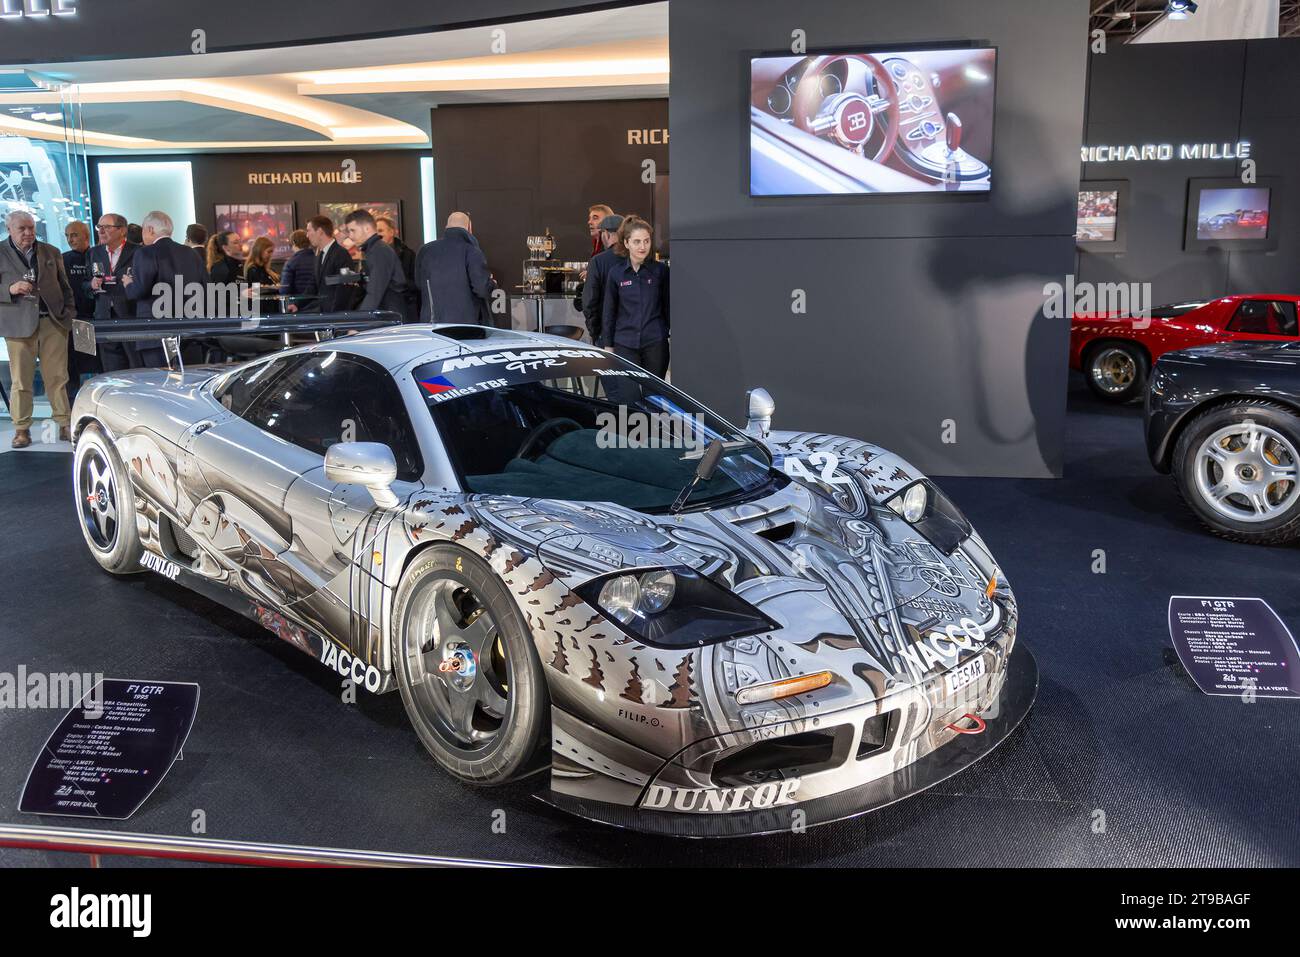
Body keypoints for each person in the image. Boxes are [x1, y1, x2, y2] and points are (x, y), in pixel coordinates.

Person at [0, 210, 76, 447]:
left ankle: (65, 424)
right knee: (21, 381)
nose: (28, 233)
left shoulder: (51, 251)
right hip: (18, 325)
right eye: (22, 228)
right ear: (9, 228)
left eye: (31, 228)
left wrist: (68, 313)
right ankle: (22, 429)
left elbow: (65, 286)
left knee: (58, 377)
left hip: (53, 322)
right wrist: (10, 289)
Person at [123, 210, 210, 367]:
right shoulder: (191, 254)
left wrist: (128, 283)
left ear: (150, 230)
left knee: (161, 385)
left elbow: (139, 290)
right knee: (190, 382)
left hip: (156, 333)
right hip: (189, 332)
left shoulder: (145, 253)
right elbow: (206, 287)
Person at [600, 216, 669, 378]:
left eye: (646, 241)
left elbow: (668, 306)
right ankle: (625, 406)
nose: (643, 246)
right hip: (624, 344)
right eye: (637, 242)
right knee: (627, 396)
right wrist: (608, 345)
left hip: (655, 344)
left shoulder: (661, 271)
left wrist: (666, 332)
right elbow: (609, 311)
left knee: (654, 398)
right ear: (626, 243)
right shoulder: (616, 273)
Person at [413, 211, 492, 325]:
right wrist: (492, 283)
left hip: (431, 323)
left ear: (446, 227)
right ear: (469, 228)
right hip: (465, 325)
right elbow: (481, 289)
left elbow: (419, 284)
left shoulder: (425, 250)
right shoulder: (472, 251)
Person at [88, 212, 139, 371]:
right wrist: (91, 284)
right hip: (104, 316)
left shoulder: (138, 252)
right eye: (99, 227)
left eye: (107, 227)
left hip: (130, 315)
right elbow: (84, 283)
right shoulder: (94, 253)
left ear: (122, 230)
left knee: (135, 366)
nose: (101, 231)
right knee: (111, 368)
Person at [345, 209, 410, 319]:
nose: (350, 236)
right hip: (386, 315)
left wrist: (359, 324)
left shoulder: (379, 251)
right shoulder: (373, 250)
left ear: (367, 228)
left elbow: (375, 292)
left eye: (353, 230)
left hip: (390, 318)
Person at [62, 220, 99, 404]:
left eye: (74, 235)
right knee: (74, 367)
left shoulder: (98, 256)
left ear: (86, 235)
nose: (70, 239)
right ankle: (75, 406)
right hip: (74, 321)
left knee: (94, 367)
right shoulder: (62, 259)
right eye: (67, 236)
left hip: (97, 320)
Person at [581, 213, 624, 344]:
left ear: (606, 234)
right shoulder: (636, 258)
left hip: (606, 334)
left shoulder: (598, 261)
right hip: (632, 335)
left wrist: (595, 332)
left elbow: (589, 302)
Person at [302, 214, 354, 314]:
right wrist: (297, 304)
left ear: (320, 231)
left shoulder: (341, 254)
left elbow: (344, 289)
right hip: (324, 314)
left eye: (309, 231)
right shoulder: (319, 255)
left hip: (336, 316)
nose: (307, 235)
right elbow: (313, 284)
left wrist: (335, 316)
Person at [376, 215, 418, 318]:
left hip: (403, 312)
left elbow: (416, 284)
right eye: (375, 232)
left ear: (392, 232)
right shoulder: (370, 256)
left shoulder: (408, 255)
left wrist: (394, 279)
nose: (377, 235)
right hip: (379, 313)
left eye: (381, 231)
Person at [243, 236, 280, 315]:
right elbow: (258, 289)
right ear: (260, 250)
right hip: (261, 311)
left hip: (270, 309)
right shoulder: (253, 269)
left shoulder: (268, 270)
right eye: (269, 252)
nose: (271, 255)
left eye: (272, 252)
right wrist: (273, 287)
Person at [279, 229, 316, 309]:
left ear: (294, 243)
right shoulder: (318, 259)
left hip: (297, 306)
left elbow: (284, 289)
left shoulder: (291, 262)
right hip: (317, 304)